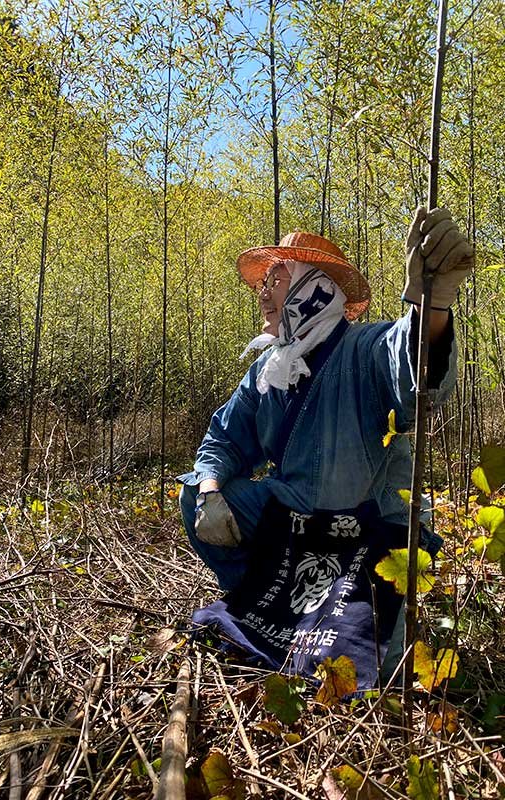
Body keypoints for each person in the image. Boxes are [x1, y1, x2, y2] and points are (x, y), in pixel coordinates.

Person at [177, 207, 473, 682]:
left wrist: (429, 303)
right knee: (194, 494)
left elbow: (413, 369)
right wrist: (210, 489)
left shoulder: (363, 349)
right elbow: (224, 440)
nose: (262, 296)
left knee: (373, 664)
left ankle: (315, 613)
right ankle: (256, 596)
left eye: (273, 280)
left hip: (371, 527)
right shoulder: (268, 371)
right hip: (295, 522)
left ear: (308, 287)